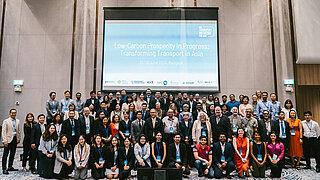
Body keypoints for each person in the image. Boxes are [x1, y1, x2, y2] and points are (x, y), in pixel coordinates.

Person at [2, 109, 21, 174]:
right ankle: (4, 169)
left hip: (15, 139)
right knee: (5, 154)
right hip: (8, 140)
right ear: (10, 113)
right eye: (12, 113)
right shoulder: (6, 121)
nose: (13, 114)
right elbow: (4, 131)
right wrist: (5, 140)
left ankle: (10, 166)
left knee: (12, 154)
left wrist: (18, 139)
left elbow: (18, 131)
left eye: (15, 113)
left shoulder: (18, 121)